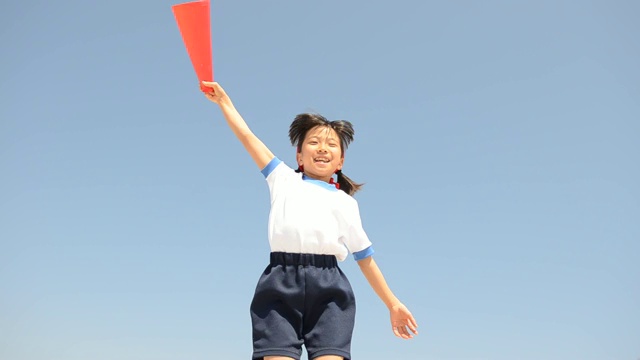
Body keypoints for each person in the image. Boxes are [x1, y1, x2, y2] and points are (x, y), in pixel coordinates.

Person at [202, 81, 418, 360]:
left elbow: (365, 259)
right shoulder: (282, 179)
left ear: (340, 162)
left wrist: (393, 303)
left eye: (331, 144)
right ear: (299, 156)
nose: (322, 148)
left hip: (330, 290)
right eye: (313, 142)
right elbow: (247, 136)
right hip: (280, 281)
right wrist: (224, 103)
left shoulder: (346, 203)